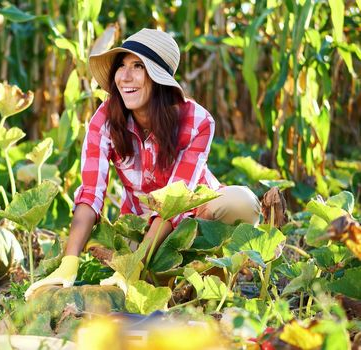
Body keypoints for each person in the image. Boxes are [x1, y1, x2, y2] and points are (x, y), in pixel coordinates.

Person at [25, 29, 261, 299]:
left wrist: (135, 263)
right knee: (141, 285)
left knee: (239, 200)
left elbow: (175, 203)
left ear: (159, 79)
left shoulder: (197, 121)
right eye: (121, 66)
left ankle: (211, 273)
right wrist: (69, 263)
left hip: (198, 217)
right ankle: (174, 283)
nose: (125, 76)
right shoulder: (105, 120)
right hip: (142, 228)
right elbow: (90, 194)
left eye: (138, 66)